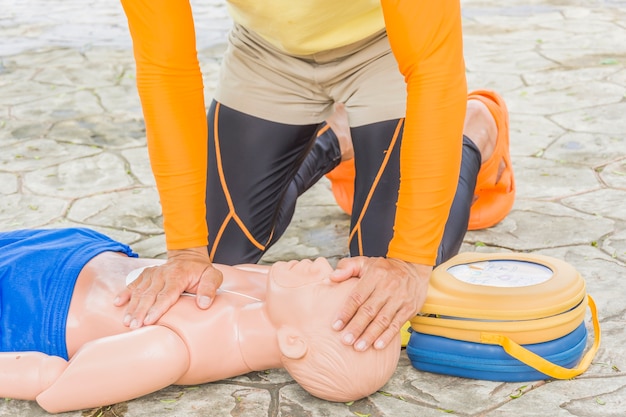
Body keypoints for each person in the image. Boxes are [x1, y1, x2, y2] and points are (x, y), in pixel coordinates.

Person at [116, 0, 516, 354]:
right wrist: (186, 250)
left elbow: (433, 67)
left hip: (388, 46)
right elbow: (165, 67)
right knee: (217, 259)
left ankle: (474, 126)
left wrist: (411, 262)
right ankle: (340, 137)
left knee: (372, 293)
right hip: (267, 51)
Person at [0, 228, 400, 414]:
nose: (328, 270)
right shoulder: (270, 290)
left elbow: (53, 384)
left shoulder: (174, 351)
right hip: (74, 250)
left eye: (332, 292)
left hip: (27, 305)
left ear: (294, 342)